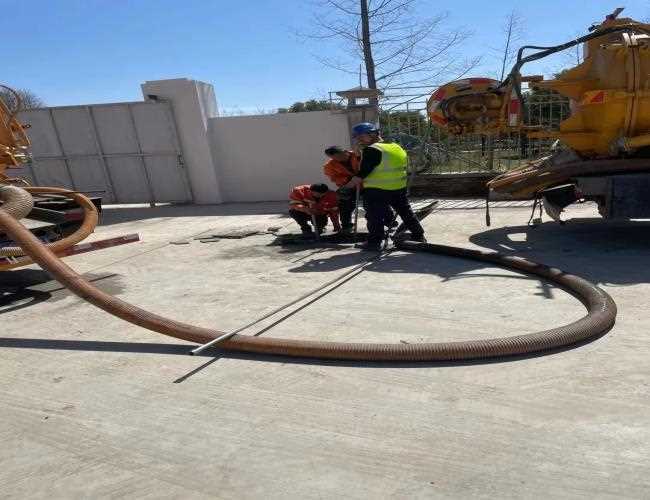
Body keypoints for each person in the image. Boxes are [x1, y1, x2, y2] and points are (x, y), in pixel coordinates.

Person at [344, 122, 425, 251]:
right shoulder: (395, 146)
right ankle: (418, 235)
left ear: (372, 134)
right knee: (406, 212)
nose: (359, 140)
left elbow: (363, 173)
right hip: (398, 187)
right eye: (357, 138)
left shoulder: (372, 150)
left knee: (375, 216)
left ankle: (374, 243)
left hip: (378, 189)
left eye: (360, 137)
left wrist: (346, 188)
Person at [323, 146, 361, 233]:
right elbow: (334, 178)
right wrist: (349, 179)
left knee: (373, 203)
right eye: (335, 158)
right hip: (349, 186)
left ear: (345, 151)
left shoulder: (358, 155)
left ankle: (388, 220)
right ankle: (346, 225)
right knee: (344, 203)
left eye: (339, 156)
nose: (338, 159)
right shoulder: (329, 166)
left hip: (367, 184)